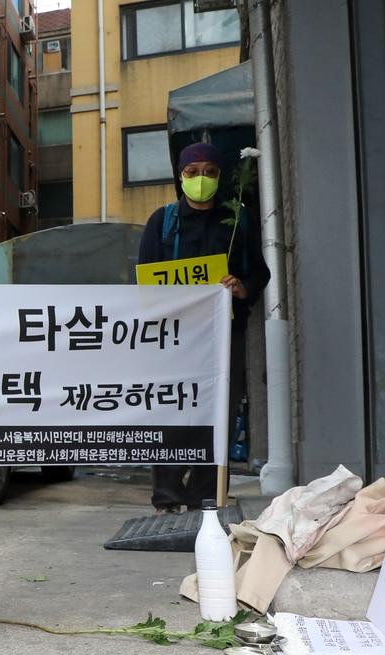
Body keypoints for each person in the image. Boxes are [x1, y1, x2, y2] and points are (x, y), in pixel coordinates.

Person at [137, 141, 270, 512]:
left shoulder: (238, 220)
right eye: (193, 173)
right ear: (181, 177)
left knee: (220, 411)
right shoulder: (161, 222)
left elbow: (259, 271)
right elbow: (146, 282)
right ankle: (167, 495)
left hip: (225, 335)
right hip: (176, 337)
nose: (201, 180)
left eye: (209, 172)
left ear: (220, 176)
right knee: (173, 408)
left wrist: (242, 287)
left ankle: (206, 493)